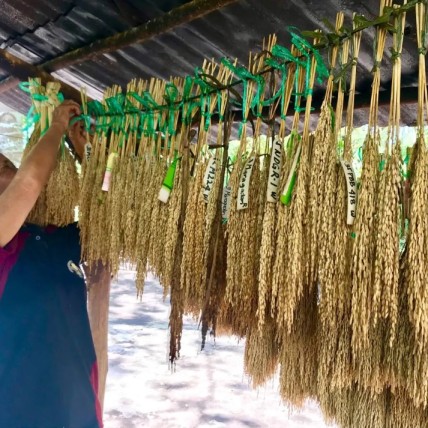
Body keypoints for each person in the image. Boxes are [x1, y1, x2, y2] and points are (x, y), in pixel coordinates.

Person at [0, 100, 103, 428]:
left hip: (79, 412)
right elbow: (29, 183)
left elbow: (106, 214)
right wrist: (57, 126)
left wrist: (86, 152)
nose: (6, 167)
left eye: (5, 163)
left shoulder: (57, 238)